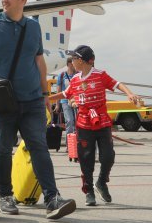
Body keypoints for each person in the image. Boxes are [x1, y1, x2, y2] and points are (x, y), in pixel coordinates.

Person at [0, 0, 76, 220]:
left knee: (39, 146)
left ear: (22, 0)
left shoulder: (33, 27)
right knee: (3, 148)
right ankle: (5, 195)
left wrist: (45, 93)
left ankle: (52, 198)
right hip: (3, 99)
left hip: (33, 99)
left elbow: (39, 61)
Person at [50, 45, 140, 206]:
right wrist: (45, 98)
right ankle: (89, 190)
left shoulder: (100, 75)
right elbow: (65, 94)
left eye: (74, 59)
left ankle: (101, 182)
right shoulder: (75, 80)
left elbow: (117, 84)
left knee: (108, 156)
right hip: (84, 125)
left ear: (82, 61)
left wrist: (130, 94)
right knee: (86, 159)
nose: (72, 62)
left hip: (102, 123)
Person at [57, 58, 78, 136]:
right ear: (69, 64)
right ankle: (69, 144)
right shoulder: (62, 75)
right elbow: (59, 91)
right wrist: (57, 104)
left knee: (77, 121)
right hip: (65, 101)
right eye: (73, 63)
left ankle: (77, 142)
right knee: (69, 120)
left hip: (76, 101)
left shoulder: (78, 74)